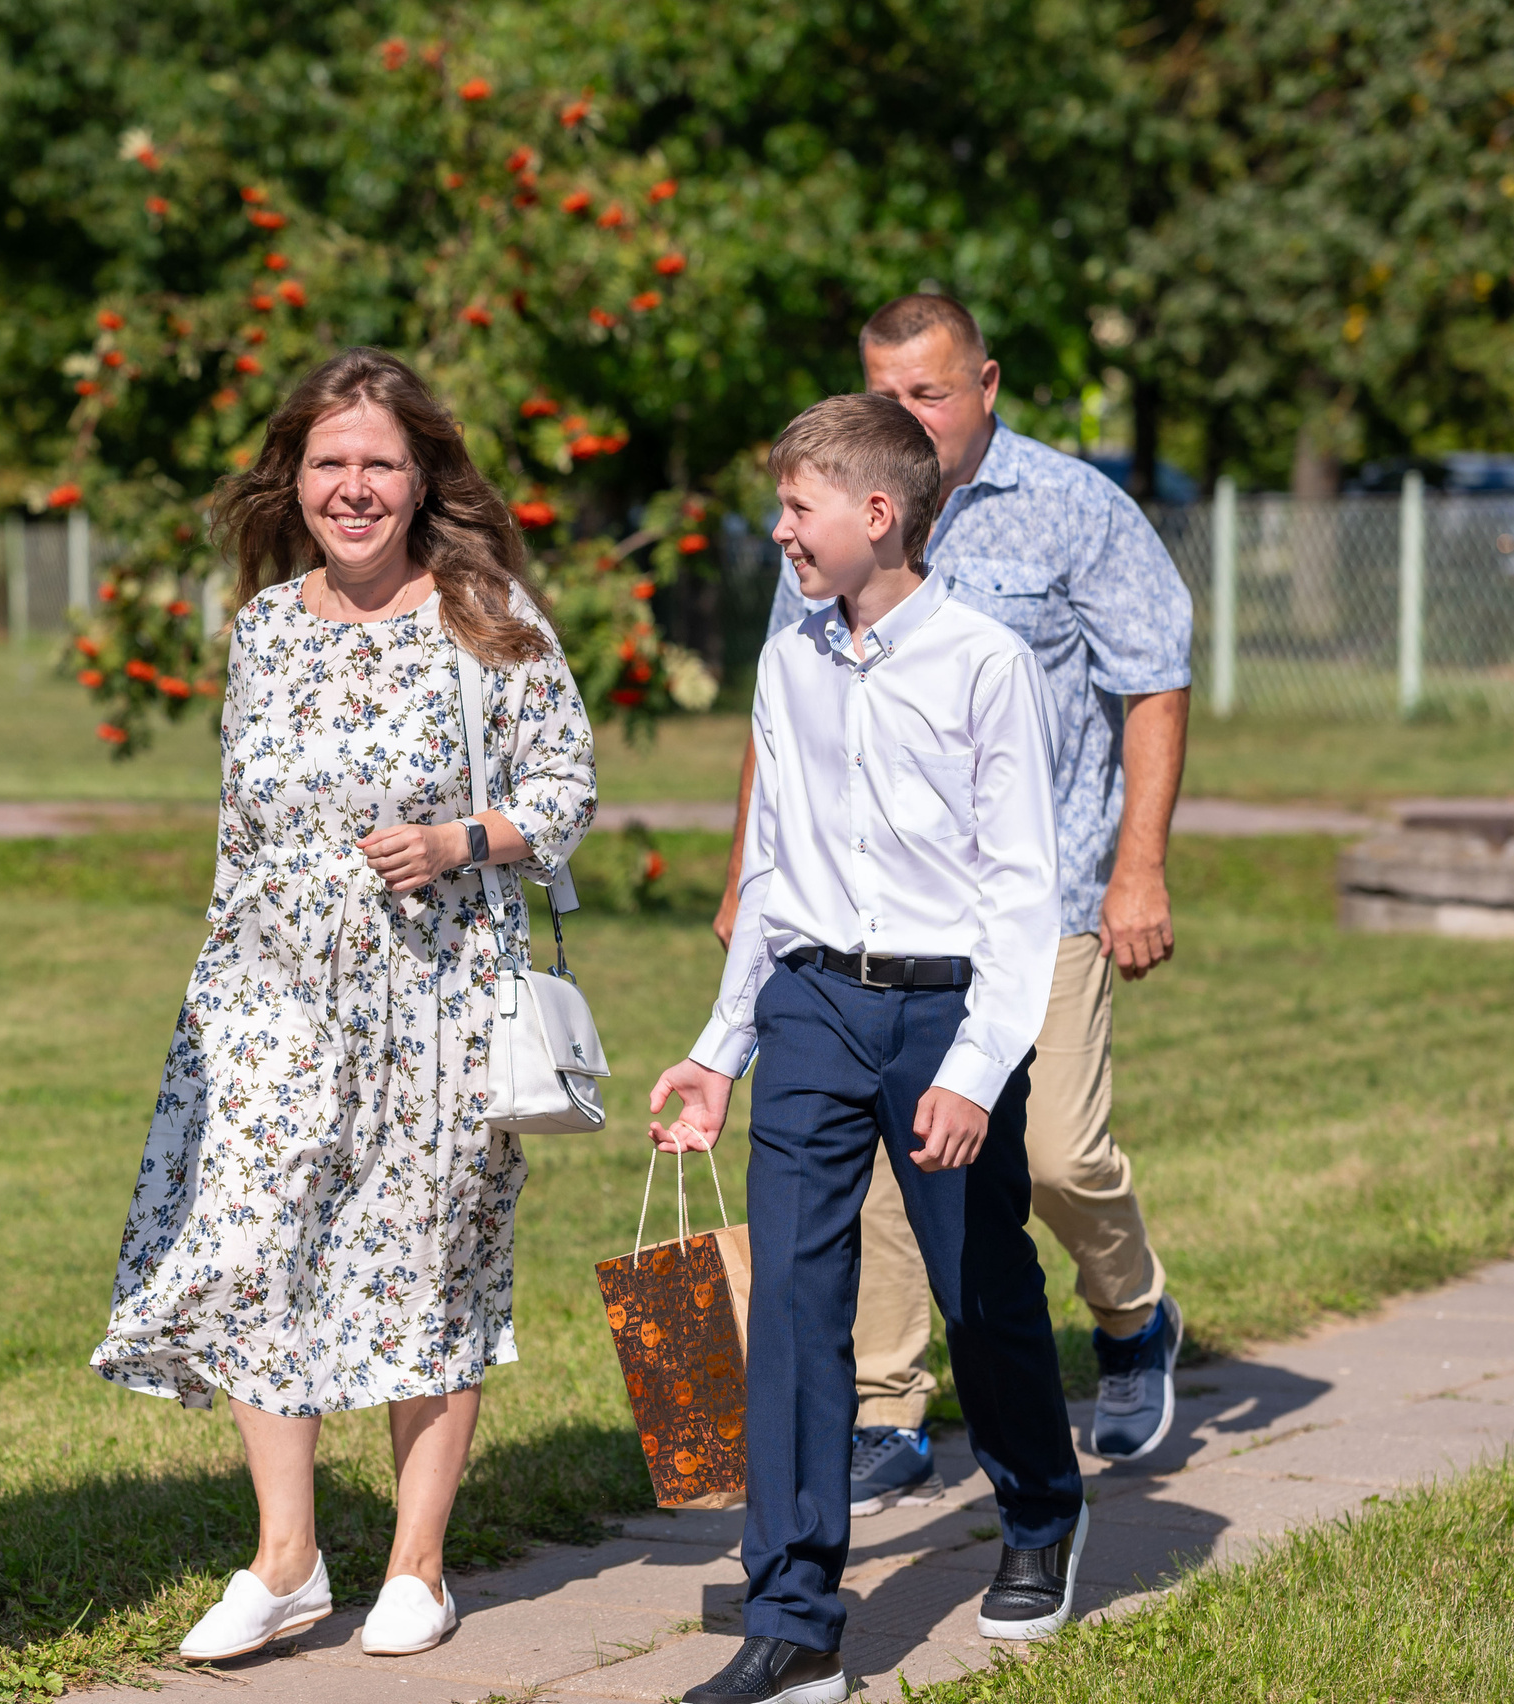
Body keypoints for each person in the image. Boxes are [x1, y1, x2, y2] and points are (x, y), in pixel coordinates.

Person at [89, 348, 596, 1664]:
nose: (354, 487)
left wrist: (456, 842)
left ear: (425, 475)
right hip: (272, 1003)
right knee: (260, 1250)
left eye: (380, 462)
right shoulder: (263, 625)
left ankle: (417, 1567)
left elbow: (562, 794)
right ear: (294, 476)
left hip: (435, 1002)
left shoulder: (488, 618)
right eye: (330, 464)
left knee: (427, 1261)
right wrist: (218, 990)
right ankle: (287, 1559)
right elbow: (241, 832)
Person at [712, 294, 1193, 1499]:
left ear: (985, 380)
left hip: (1048, 891)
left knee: (1052, 1158)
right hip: (865, 926)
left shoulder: (1075, 507)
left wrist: (1139, 865)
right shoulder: (834, 510)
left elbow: (1153, 680)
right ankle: (887, 1408)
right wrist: (746, 884)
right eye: (885, 393)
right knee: (877, 1165)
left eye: (927, 393)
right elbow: (790, 711)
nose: (906, 415)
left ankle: (1132, 1316)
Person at [651, 394, 1083, 1704]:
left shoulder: (981, 664)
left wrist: (974, 1066)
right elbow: (773, 871)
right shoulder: (787, 663)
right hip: (811, 1008)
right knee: (789, 1298)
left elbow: (1023, 895)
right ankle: (794, 1620)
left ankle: (1041, 1514)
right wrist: (721, 1049)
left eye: (798, 507)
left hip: (948, 1011)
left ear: (878, 515)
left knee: (978, 1286)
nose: (777, 529)